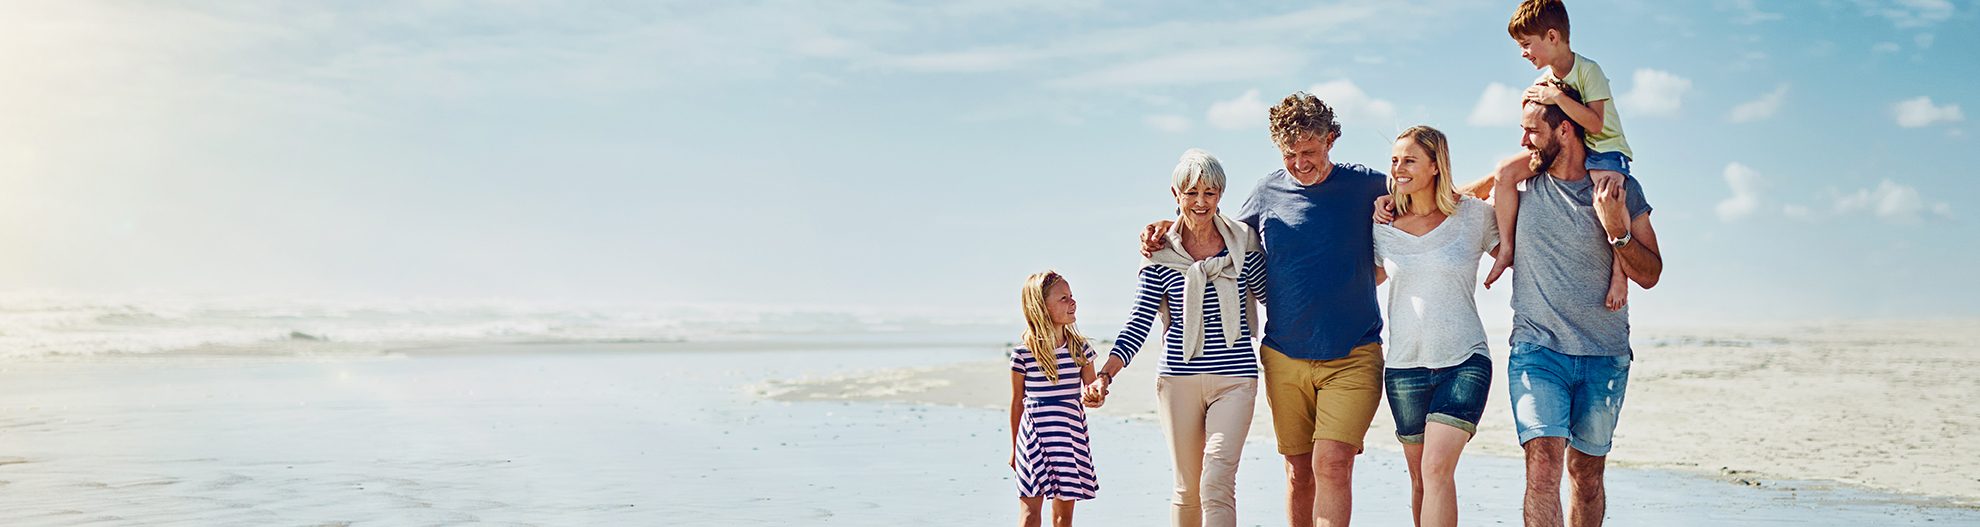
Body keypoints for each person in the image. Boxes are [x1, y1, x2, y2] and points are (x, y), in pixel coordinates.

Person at [1141, 92, 1388, 527]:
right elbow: (1214, 233)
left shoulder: (1367, 185)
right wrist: (1166, 226)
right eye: (1289, 154)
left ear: (1331, 140)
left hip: (1354, 352)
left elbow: (1430, 198)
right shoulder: (1266, 192)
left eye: (1309, 152)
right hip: (1284, 355)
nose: (1300, 163)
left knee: (1331, 464)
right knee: (1298, 471)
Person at [1503, 87, 1664, 527]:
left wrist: (1618, 231)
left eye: (1532, 132)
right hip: (1537, 353)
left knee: (1586, 475)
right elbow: (1446, 199)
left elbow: (1650, 273)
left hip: (1604, 356)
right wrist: (1393, 203)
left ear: (1565, 129)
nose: (1523, 142)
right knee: (1542, 467)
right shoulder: (1523, 187)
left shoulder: (1620, 189)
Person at [1087, 149, 1266, 527]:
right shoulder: (1159, 253)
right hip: (1177, 381)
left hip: (1235, 379)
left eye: (1210, 192)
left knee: (1216, 481)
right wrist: (1105, 374)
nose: (1201, 202)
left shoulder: (1244, 244)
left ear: (1221, 194)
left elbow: (1278, 300)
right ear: (1176, 193)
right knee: (1186, 488)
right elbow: (1138, 324)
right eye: (1192, 193)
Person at [1370, 126, 1498, 527]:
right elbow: (1361, 276)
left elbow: (1519, 250)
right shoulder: (1382, 226)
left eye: (1409, 160)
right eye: (1395, 160)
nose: (1398, 168)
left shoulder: (1474, 215)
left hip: (1464, 360)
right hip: (1404, 367)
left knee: (1436, 469)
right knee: (1421, 479)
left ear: (1434, 165)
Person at [1487, 0, 1639, 312]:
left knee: (1607, 197)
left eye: (1527, 44)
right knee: (1504, 172)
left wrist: (1555, 96)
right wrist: (1529, 100)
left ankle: (1619, 274)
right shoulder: (1543, 81)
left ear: (1553, 37)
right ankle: (1507, 249)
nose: (1523, 53)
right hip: (1568, 145)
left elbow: (1596, 123)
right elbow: (1535, 117)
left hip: (1606, 148)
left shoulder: (1589, 71)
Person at [1009, 271, 1100, 527]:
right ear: (1041, 306)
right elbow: (1017, 403)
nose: (1072, 302)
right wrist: (1014, 449)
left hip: (1068, 437)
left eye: (1072, 297)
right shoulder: (1023, 354)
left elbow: (1092, 390)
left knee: (1063, 517)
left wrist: (1096, 395)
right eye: (1063, 298)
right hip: (1033, 439)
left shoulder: (1080, 349)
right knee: (1030, 514)